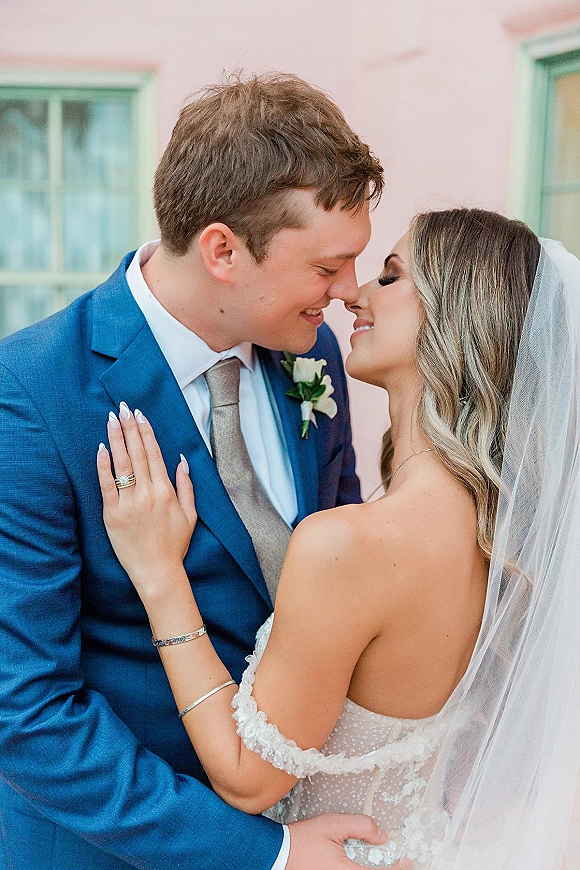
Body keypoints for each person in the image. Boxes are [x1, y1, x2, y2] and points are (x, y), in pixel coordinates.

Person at [98, 208, 580, 868]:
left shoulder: (351, 544)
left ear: (457, 314)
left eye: (390, 276)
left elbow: (248, 776)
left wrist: (159, 577)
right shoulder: (504, 539)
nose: (352, 293)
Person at [0, 73, 389, 870]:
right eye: (327, 267)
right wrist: (263, 854)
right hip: (115, 850)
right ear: (222, 249)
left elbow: (343, 582)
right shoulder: (31, 394)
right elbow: (27, 711)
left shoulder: (311, 355)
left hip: (315, 813)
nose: (349, 293)